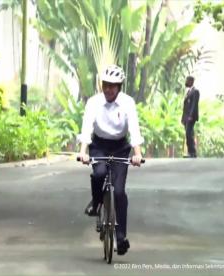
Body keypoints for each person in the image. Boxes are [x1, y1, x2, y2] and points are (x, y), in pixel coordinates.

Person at [77, 65, 143, 256]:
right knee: (99, 173)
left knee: (120, 191)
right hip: (99, 145)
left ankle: (121, 237)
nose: (108, 89)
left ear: (120, 86)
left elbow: (135, 131)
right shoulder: (94, 102)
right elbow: (87, 127)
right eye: (105, 85)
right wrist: (83, 152)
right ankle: (97, 202)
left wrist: (137, 154)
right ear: (101, 85)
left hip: (121, 147)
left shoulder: (128, 103)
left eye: (113, 86)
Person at [181, 76, 199, 158]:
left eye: (187, 81)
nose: (186, 82)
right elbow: (185, 107)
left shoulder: (195, 92)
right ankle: (190, 152)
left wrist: (191, 116)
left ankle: (192, 152)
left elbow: (194, 105)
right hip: (186, 117)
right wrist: (183, 118)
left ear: (191, 81)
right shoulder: (188, 92)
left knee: (189, 133)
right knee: (188, 133)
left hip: (191, 117)